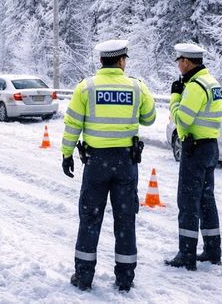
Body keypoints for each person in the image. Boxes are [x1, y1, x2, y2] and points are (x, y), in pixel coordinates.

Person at [61, 39, 156, 292]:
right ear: (122, 60)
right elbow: (149, 119)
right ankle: (125, 278)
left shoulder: (86, 87)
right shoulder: (136, 87)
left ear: (101, 61)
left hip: (96, 164)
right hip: (126, 163)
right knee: (125, 220)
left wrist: (66, 153)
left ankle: (83, 276)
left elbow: (72, 124)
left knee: (90, 219)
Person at [165, 43, 222, 270]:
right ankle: (212, 250)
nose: (179, 65)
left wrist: (175, 98)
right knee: (207, 201)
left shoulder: (196, 86)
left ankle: (186, 254)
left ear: (187, 62)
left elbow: (182, 119)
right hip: (210, 147)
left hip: (195, 149)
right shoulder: (212, 82)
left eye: (179, 61)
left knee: (188, 202)